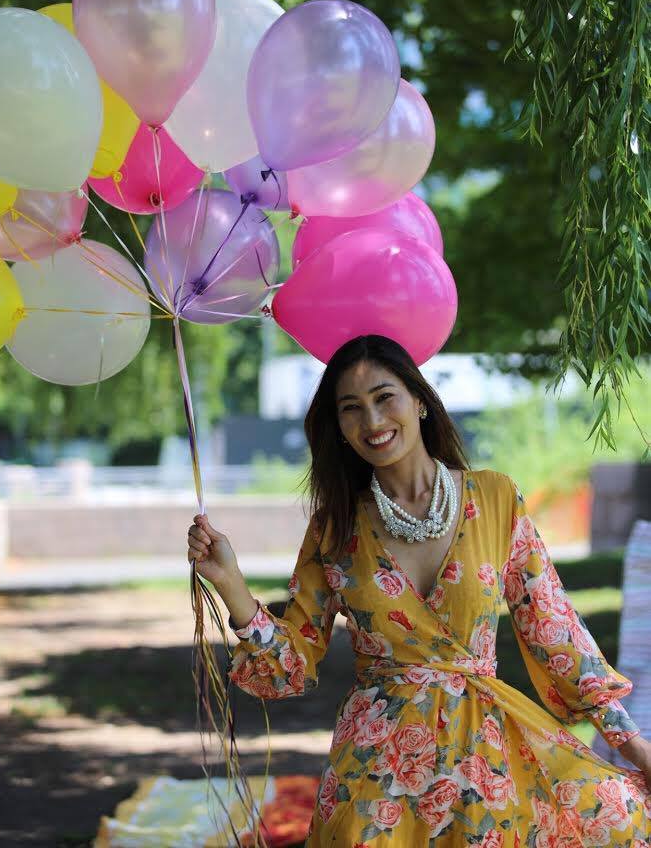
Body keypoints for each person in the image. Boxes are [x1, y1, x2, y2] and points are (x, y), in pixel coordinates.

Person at [187, 335, 651, 845]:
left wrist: (635, 748)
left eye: (385, 398)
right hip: (375, 775)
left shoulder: (495, 498)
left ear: (420, 402)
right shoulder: (335, 527)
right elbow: (290, 668)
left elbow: (557, 637)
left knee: (618, 816)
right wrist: (231, 585)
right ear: (338, 427)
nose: (373, 421)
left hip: (484, 764)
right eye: (351, 408)